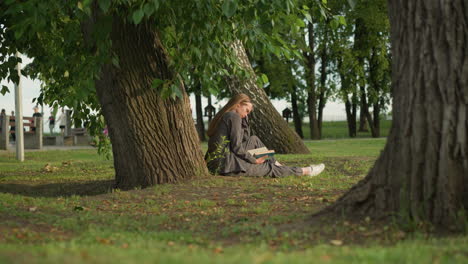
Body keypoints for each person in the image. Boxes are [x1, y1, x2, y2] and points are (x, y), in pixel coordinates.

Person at [205, 93, 325, 177]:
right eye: (246, 111)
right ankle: (306, 171)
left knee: (254, 139)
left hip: (220, 161)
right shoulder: (233, 116)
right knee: (269, 169)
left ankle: (276, 163)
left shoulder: (228, 115)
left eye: (248, 113)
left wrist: (245, 120)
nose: (246, 115)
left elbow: (245, 140)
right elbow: (237, 147)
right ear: (238, 105)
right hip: (224, 165)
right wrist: (253, 160)